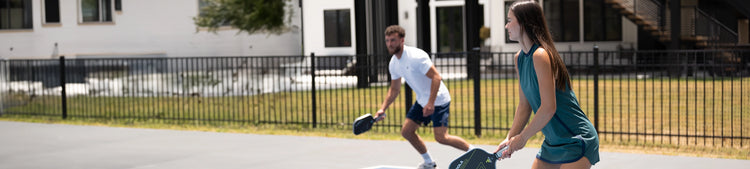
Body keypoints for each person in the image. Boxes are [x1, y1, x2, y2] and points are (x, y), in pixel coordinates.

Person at [493, 1, 600, 169]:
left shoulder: (540, 55)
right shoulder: (519, 58)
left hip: (575, 137)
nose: (506, 26)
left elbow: (549, 107)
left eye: (509, 20)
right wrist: (510, 137)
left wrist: (522, 138)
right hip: (553, 142)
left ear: (523, 23)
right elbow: (524, 105)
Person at [375, 25, 474, 169]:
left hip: (439, 99)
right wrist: (382, 109)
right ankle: (429, 162)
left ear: (402, 40)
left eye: (393, 40)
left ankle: (475, 153)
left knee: (441, 137)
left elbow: (436, 78)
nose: (390, 44)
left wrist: (431, 103)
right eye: (387, 41)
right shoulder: (394, 63)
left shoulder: (416, 57)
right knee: (407, 131)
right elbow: (395, 89)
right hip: (422, 100)